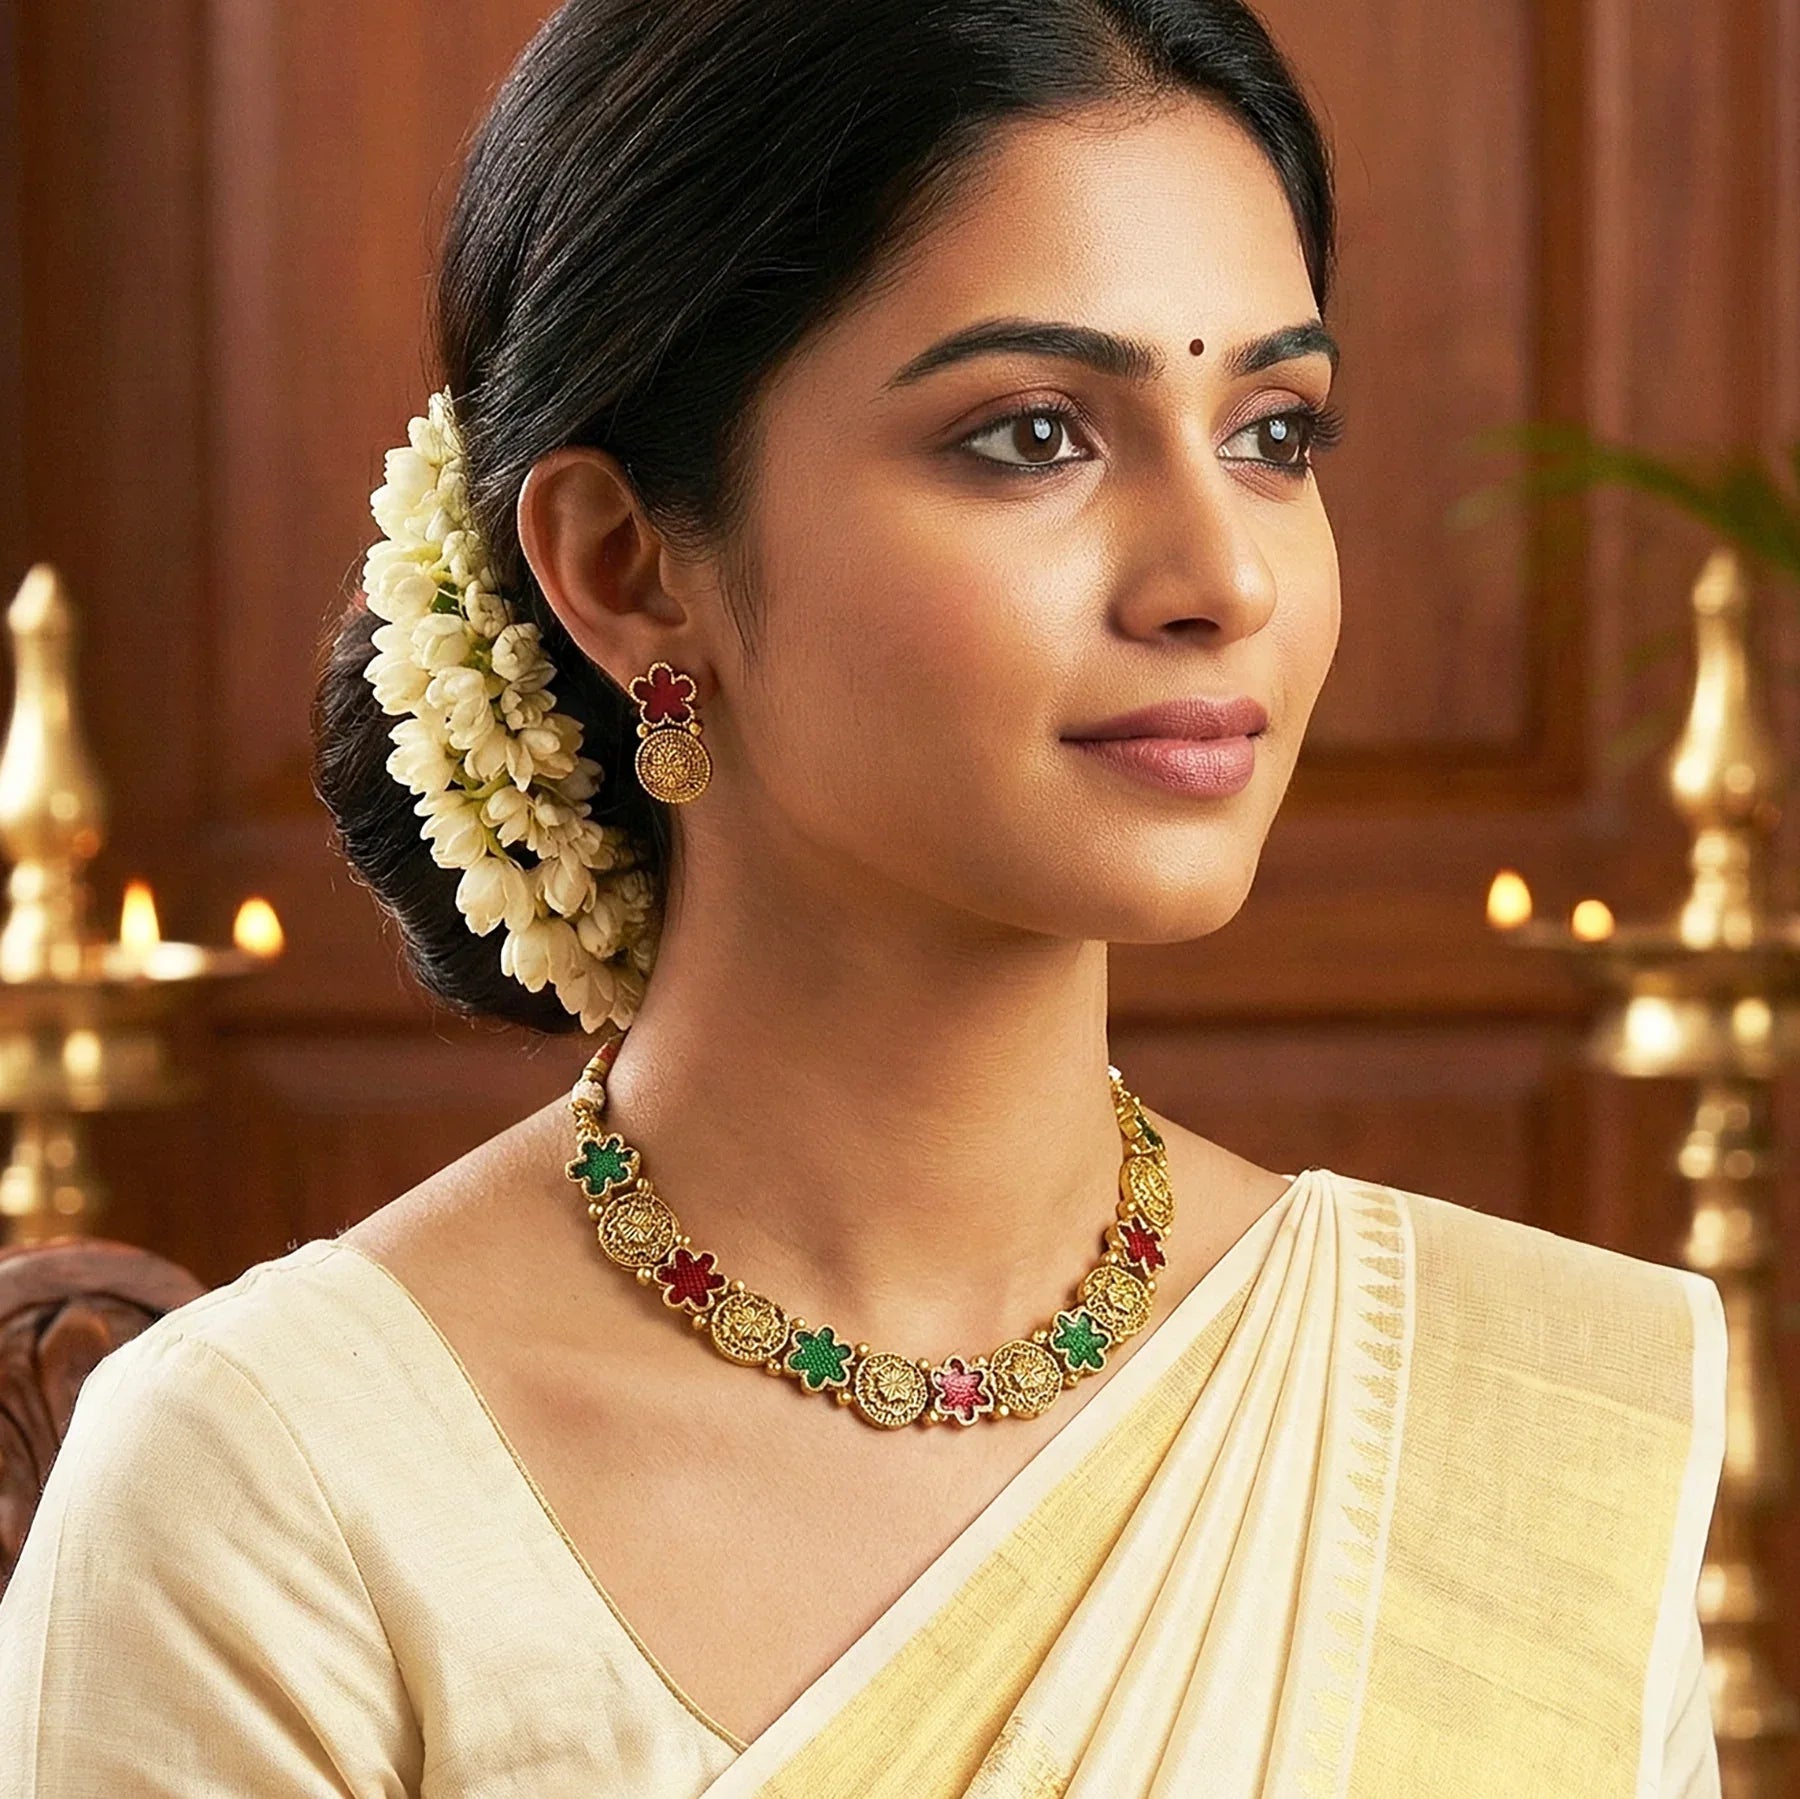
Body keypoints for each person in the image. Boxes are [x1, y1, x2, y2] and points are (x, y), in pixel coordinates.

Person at [0, 0, 1725, 1791]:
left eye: (1276, 432)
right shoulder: (286, 1494)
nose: (1224, 575)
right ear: (623, 560)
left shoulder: (1512, 1418)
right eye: (1034, 435)